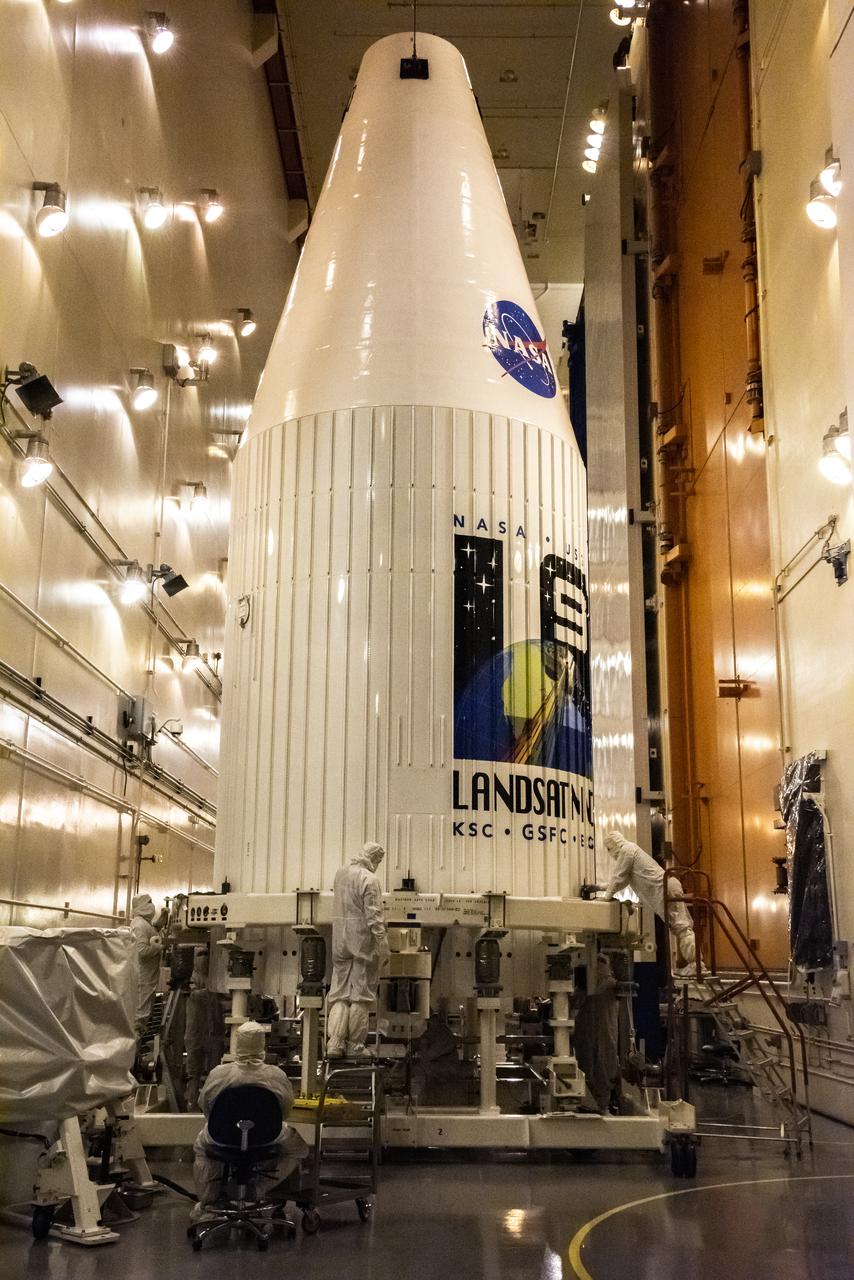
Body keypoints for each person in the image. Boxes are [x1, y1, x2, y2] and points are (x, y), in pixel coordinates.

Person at [191, 1021, 307, 1221]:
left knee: (202, 1150)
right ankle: (258, 1188)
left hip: (222, 1137)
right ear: (262, 1045)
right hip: (267, 1139)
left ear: (237, 1043)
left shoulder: (219, 1074)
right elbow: (286, 1111)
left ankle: (209, 1203)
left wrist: (226, 1126)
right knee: (299, 1149)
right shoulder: (276, 1076)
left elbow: (205, 1107)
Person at [327, 841, 390, 1058]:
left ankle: (334, 1044)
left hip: (339, 942)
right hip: (361, 942)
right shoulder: (369, 879)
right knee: (360, 996)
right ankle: (355, 1046)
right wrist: (383, 943)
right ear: (374, 858)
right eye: (379, 860)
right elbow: (374, 915)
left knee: (340, 993)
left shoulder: (340, 874)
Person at [602, 831, 698, 969]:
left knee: (682, 928)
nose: (610, 853)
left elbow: (618, 878)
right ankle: (695, 964)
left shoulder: (627, 850)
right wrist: (597, 887)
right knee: (682, 928)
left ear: (614, 843)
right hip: (667, 886)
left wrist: (606, 897)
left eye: (609, 848)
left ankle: (696, 965)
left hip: (665, 889)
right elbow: (621, 881)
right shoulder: (631, 850)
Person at [573, 953, 620, 1113]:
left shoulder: (608, 985)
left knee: (599, 1066)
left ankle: (599, 1104)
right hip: (594, 1032)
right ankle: (598, 1104)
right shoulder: (607, 984)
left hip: (598, 1032)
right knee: (597, 1066)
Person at [130, 892, 163, 1037]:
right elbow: (142, 950)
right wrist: (156, 948)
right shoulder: (139, 925)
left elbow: (153, 930)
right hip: (142, 979)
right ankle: (133, 1052)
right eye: (149, 902)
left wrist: (163, 918)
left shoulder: (144, 923)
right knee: (139, 1018)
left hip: (147, 978)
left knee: (142, 1015)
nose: (152, 906)